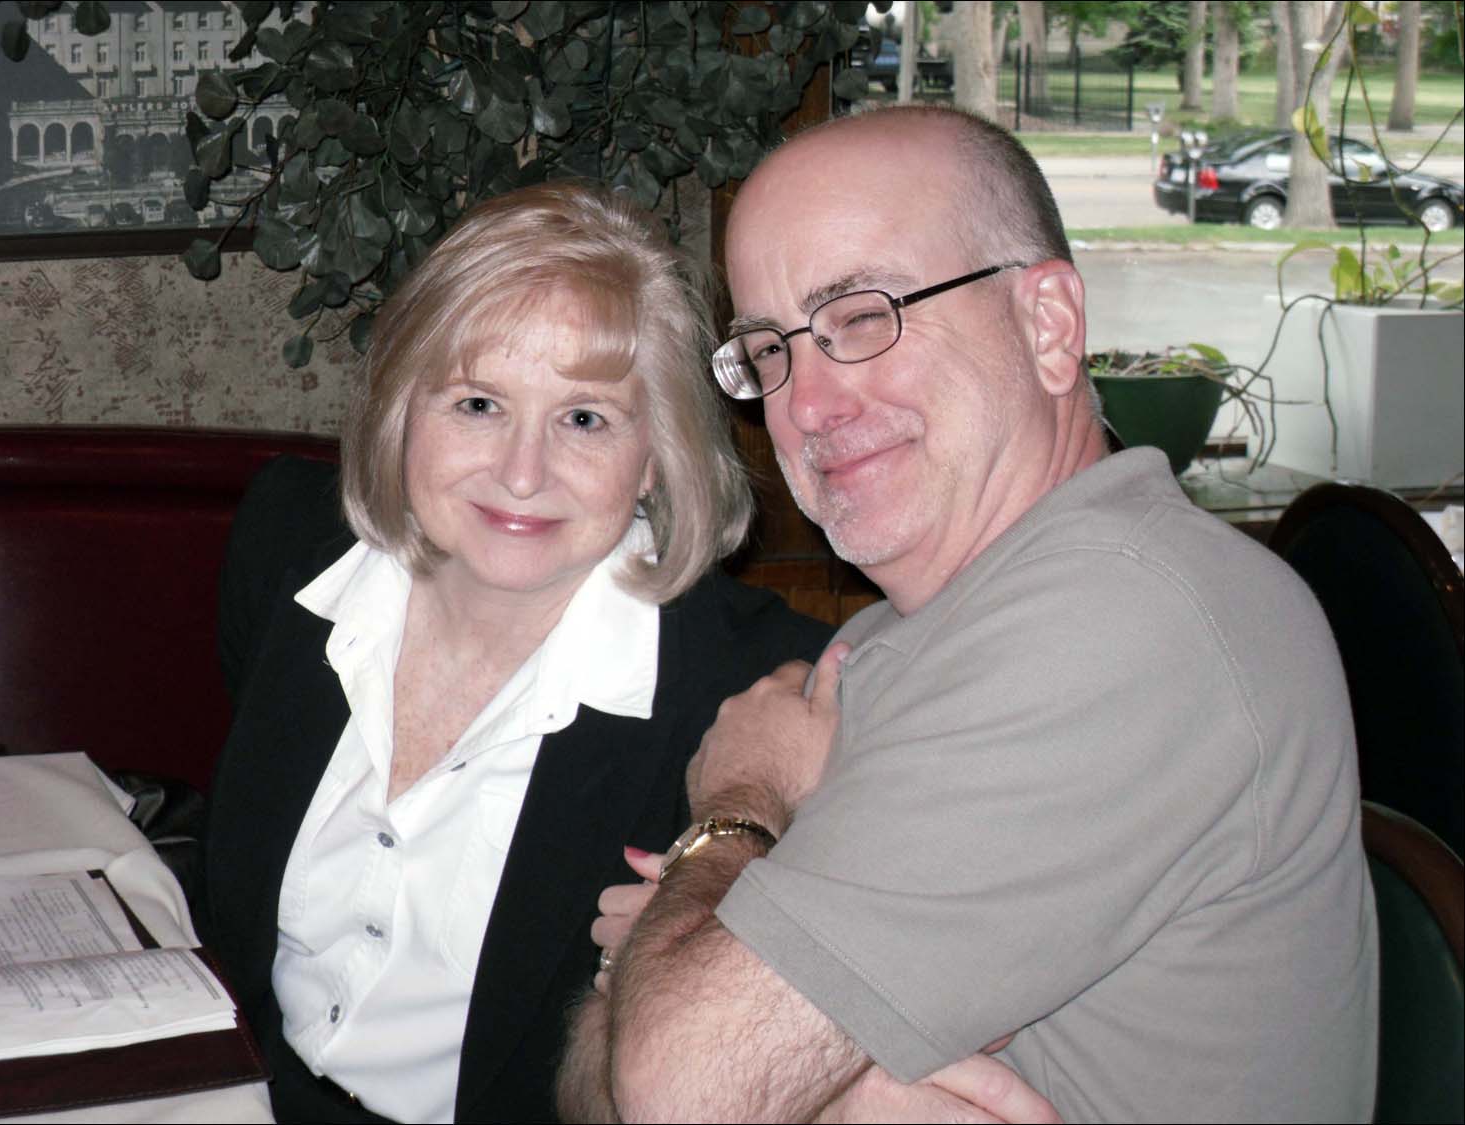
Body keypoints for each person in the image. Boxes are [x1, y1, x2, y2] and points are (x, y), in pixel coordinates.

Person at [558, 106, 1378, 1123]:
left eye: (862, 317)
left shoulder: (1125, 618)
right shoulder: (893, 635)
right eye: (769, 352)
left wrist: (738, 808)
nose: (807, 405)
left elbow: (675, 1094)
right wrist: (787, 1040)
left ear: (1049, 324)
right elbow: (603, 1079)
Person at [199, 180, 836, 1123]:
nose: (521, 472)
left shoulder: (752, 687)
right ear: (403, 406)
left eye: (585, 418)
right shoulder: (287, 550)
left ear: (657, 454)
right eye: (479, 403)